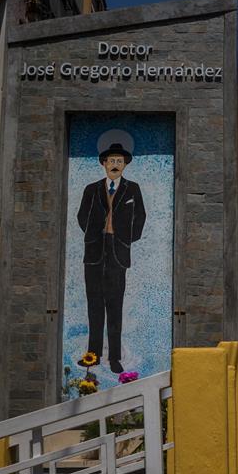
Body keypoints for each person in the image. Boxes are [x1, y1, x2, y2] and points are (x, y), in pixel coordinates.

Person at [76, 141, 146, 374]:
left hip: (118, 252)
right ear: (103, 163)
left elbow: (140, 217)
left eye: (119, 161)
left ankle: (115, 357)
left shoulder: (132, 189)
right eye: (111, 161)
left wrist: (126, 239)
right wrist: (94, 234)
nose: (115, 165)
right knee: (94, 305)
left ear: (125, 164)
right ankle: (93, 355)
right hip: (94, 252)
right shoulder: (91, 189)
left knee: (115, 306)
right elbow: (81, 216)